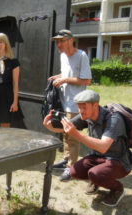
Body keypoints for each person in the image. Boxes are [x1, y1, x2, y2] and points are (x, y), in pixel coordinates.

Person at [43, 90, 132, 207]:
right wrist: (50, 126)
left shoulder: (114, 119)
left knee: (95, 174)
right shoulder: (86, 116)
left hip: (118, 160)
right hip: (97, 157)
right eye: (79, 107)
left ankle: (118, 189)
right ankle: (97, 180)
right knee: (74, 172)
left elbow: (103, 147)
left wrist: (76, 134)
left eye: (84, 107)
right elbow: (65, 128)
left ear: (95, 105)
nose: (81, 111)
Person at [48, 29, 92, 181]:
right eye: (57, 41)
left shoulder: (81, 56)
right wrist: (59, 77)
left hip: (75, 104)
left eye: (61, 41)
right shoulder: (62, 56)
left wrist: (65, 80)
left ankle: (72, 168)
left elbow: (86, 80)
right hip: (63, 102)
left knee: (73, 136)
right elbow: (67, 73)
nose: (58, 44)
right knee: (65, 134)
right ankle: (66, 159)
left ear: (70, 40)